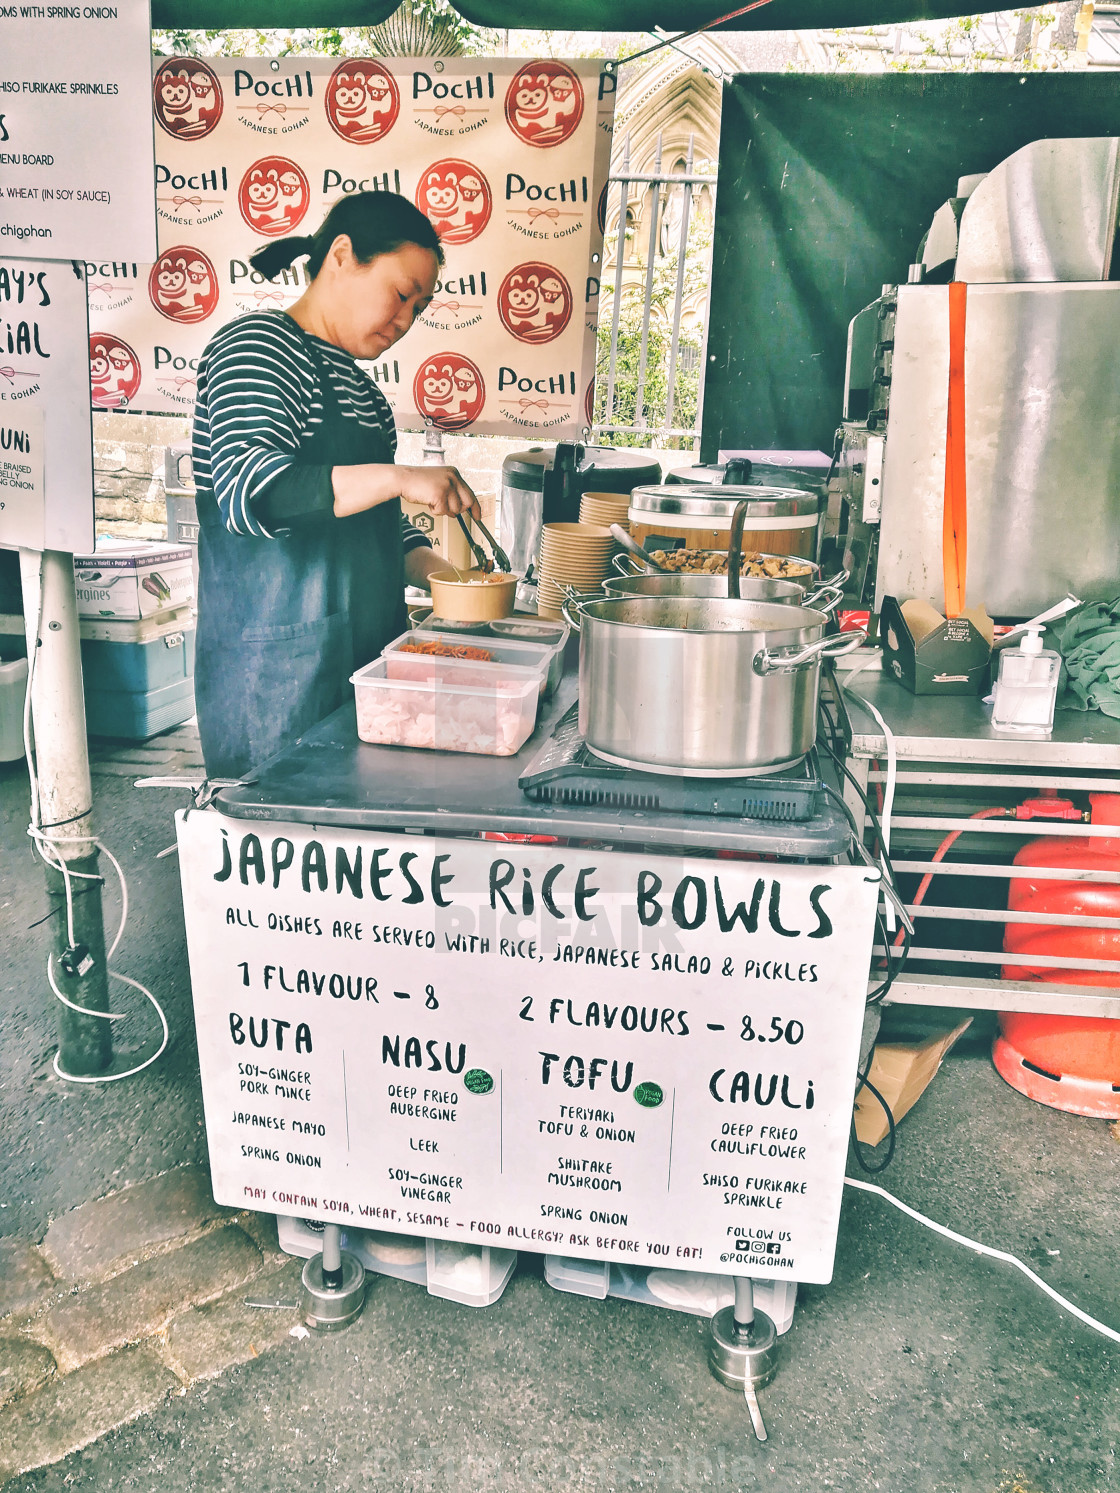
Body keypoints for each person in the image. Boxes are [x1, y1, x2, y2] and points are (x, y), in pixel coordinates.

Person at [192, 190, 480, 779]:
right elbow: (257, 491)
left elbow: (371, 521)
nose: (405, 321)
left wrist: (448, 579)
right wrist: (402, 476)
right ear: (342, 256)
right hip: (279, 678)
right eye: (401, 294)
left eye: (419, 309)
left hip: (370, 664)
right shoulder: (256, 347)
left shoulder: (365, 392)